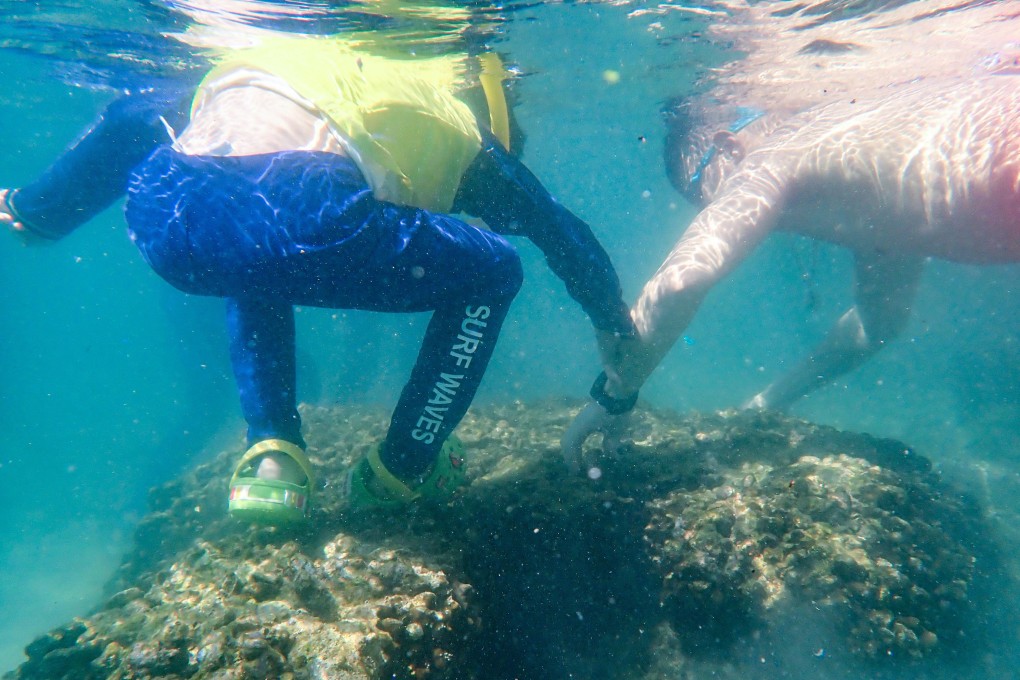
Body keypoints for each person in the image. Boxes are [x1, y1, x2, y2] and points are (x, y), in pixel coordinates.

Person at [2, 32, 634, 524]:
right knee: (495, 269)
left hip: (166, 219)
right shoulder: (471, 143)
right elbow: (561, 232)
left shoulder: (283, 61)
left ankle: (272, 459)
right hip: (306, 219)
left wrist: (39, 210)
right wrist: (613, 322)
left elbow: (129, 118)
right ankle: (401, 469)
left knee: (251, 239)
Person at [562, 71, 1020, 469]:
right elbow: (878, 322)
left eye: (708, 193)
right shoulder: (873, 186)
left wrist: (617, 393)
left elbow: (686, 278)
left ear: (728, 146)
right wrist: (766, 403)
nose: (717, 207)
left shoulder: (771, 156)